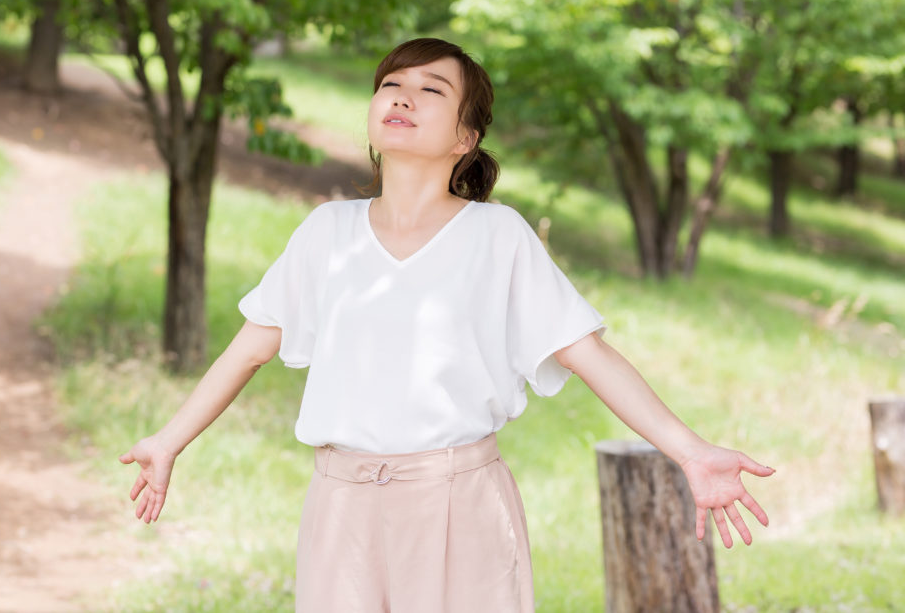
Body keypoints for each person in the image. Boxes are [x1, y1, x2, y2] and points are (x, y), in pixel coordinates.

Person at [120, 37, 774, 612]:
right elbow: (248, 349)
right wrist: (168, 439)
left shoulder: (498, 236)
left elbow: (590, 354)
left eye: (431, 89)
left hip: (460, 503)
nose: (403, 96)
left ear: (466, 138)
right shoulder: (327, 234)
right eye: (390, 85)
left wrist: (691, 450)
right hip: (342, 507)